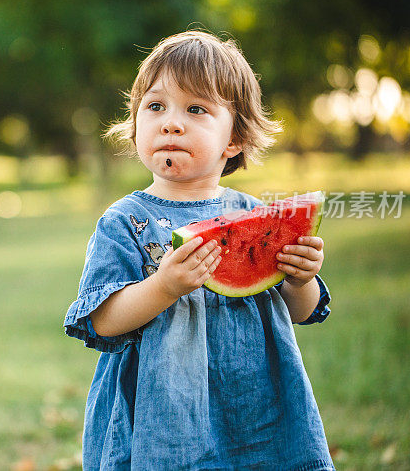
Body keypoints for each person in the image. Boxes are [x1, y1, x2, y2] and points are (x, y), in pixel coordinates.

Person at [63, 31, 334, 470]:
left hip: (253, 406)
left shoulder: (255, 215)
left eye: (196, 109)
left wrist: (301, 279)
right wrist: (164, 286)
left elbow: (300, 312)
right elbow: (103, 320)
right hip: (160, 414)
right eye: (155, 107)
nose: (171, 122)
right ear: (135, 127)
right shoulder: (124, 221)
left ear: (234, 139)